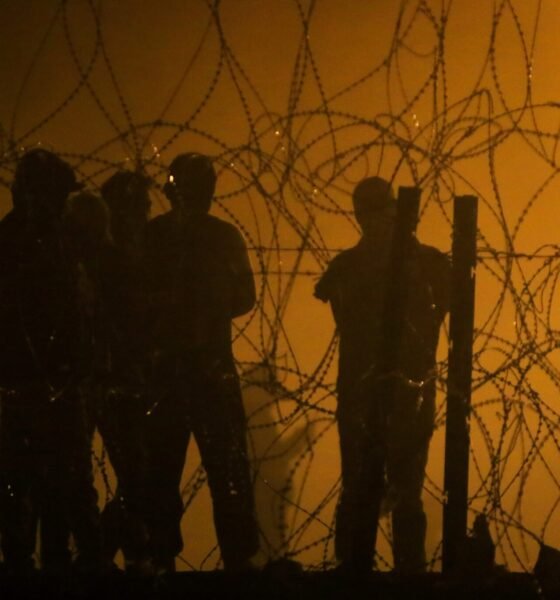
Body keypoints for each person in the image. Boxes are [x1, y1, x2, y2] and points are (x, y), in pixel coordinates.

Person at [314, 177, 450, 574]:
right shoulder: (354, 267)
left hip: (405, 386)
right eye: (371, 213)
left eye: (383, 211)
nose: (379, 221)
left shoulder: (422, 263)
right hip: (371, 389)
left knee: (401, 485)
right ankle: (364, 565)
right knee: (363, 481)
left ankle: (399, 566)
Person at [143, 152, 259, 572]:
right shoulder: (222, 236)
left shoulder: (153, 235)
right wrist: (210, 307)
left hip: (168, 371)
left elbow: (135, 299)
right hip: (209, 369)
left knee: (162, 472)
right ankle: (235, 560)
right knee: (225, 471)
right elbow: (245, 297)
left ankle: (160, 558)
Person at [0, 149, 103, 574]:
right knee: (32, 479)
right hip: (27, 381)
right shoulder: (20, 245)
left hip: (43, 379)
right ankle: (39, 563)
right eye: (56, 195)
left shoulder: (53, 240)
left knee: (53, 478)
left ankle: (52, 561)